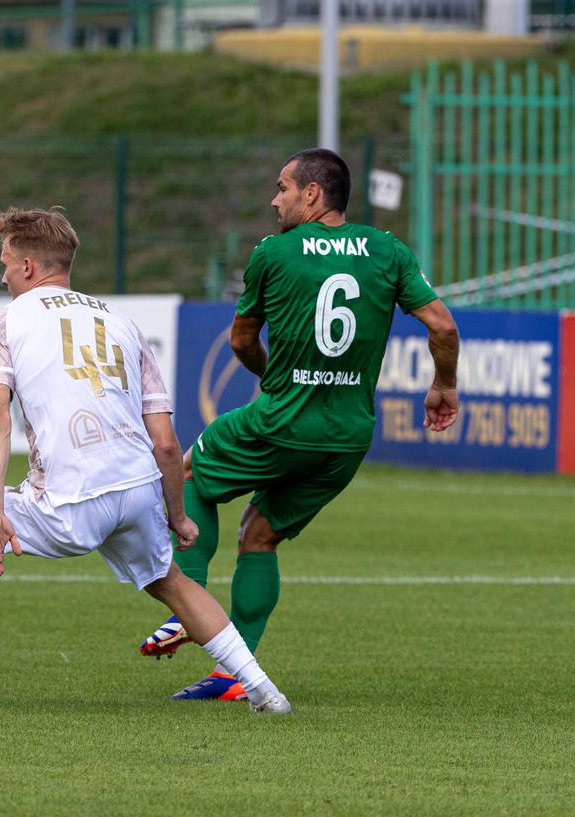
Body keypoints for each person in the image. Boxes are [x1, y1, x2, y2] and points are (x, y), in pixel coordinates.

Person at [0, 206, 291, 714]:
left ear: (28, 266)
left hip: (66, 502)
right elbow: (165, 443)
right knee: (171, 582)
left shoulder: (6, 323)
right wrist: (176, 515)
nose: (2, 274)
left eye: (5, 262)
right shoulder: (122, 322)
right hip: (136, 491)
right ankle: (263, 689)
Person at [139, 148, 460, 702]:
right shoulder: (388, 250)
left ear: (313, 194)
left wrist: (271, 376)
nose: (275, 198)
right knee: (260, 536)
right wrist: (443, 386)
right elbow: (443, 327)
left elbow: (241, 339)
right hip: (348, 437)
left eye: (283, 187)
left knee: (188, 476)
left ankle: (190, 606)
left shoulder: (274, 252)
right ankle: (232, 677)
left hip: (281, 420)